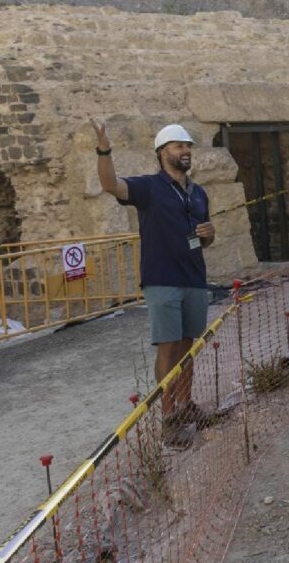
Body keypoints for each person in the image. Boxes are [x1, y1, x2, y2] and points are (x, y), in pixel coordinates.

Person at [94, 122, 217, 449]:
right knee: (169, 346)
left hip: (194, 277)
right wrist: (104, 148)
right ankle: (169, 418)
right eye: (178, 146)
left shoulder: (199, 192)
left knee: (188, 346)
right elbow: (110, 185)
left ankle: (186, 404)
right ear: (162, 153)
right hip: (162, 279)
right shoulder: (149, 187)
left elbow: (203, 239)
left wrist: (209, 235)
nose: (185, 151)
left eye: (187, 146)